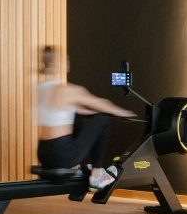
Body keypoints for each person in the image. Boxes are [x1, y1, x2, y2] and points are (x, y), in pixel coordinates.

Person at [36, 46, 135, 189]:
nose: (68, 60)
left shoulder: (41, 89)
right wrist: (123, 113)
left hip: (44, 155)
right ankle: (96, 176)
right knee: (103, 118)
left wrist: (91, 113)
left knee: (77, 115)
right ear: (58, 64)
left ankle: (76, 166)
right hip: (63, 156)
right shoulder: (69, 90)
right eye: (65, 58)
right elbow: (102, 104)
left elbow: (77, 109)